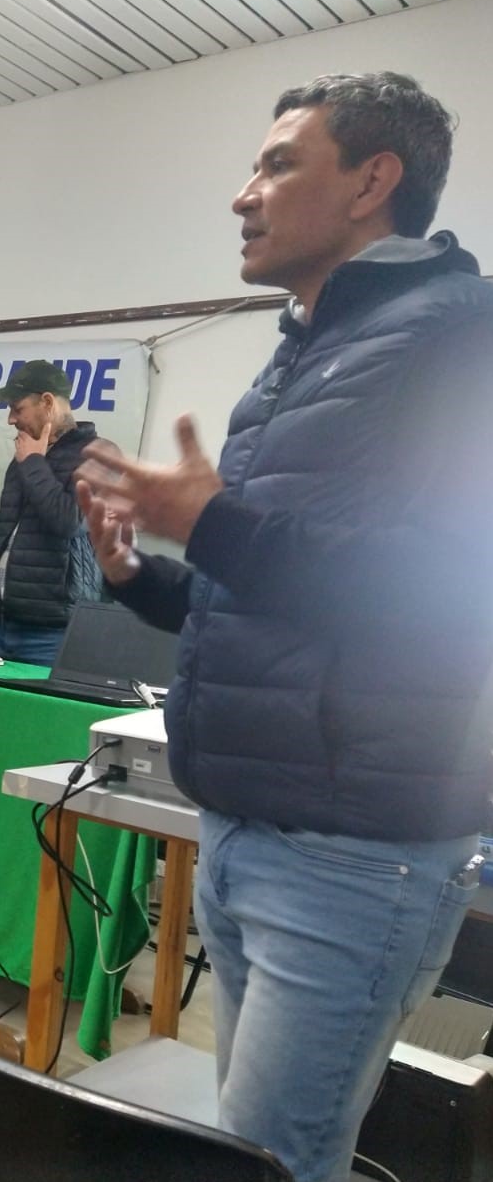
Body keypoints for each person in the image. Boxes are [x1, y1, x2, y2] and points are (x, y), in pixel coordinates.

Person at [76, 72, 493, 1182]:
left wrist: (208, 521)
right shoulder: (300, 350)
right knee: (255, 1151)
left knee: (271, 1160)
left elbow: (448, 590)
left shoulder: (461, 339)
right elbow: (262, 596)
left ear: (371, 180)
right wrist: (139, 576)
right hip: (244, 825)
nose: (240, 196)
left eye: (274, 164)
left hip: (354, 851)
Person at [0, 359, 109, 666]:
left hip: (50, 633)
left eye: (17, 408)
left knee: (34, 713)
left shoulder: (98, 455)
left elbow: (69, 521)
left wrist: (34, 464)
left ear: (47, 402)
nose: (10, 419)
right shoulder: (24, 456)